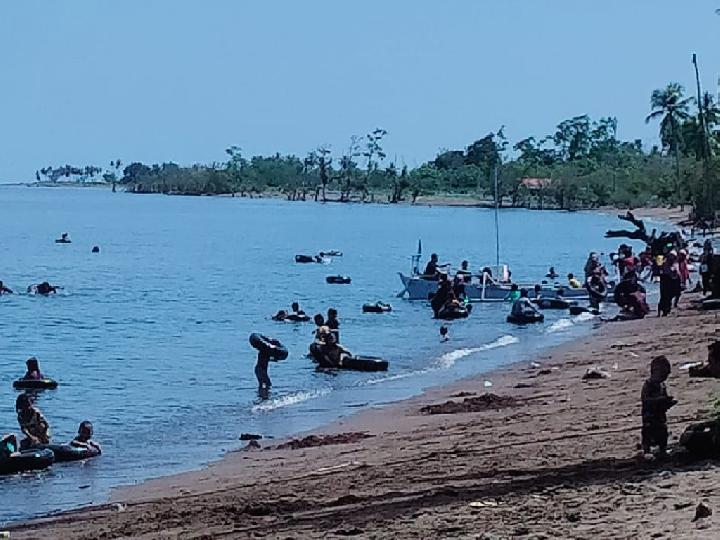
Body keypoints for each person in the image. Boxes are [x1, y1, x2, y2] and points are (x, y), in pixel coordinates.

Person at [641, 355, 676, 458]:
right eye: (664, 372)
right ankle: (647, 450)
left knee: (662, 432)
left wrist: (668, 403)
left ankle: (662, 449)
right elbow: (645, 400)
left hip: (660, 416)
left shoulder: (662, 385)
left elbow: (664, 398)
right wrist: (659, 400)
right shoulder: (649, 384)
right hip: (650, 416)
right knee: (648, 432)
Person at [658, 251, 681, 316]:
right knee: (667, 296)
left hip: (666, 280)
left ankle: (664, 310)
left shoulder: (666, 261)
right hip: (667, 280)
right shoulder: (666, 261)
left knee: (665, 296)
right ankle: (665, 310)